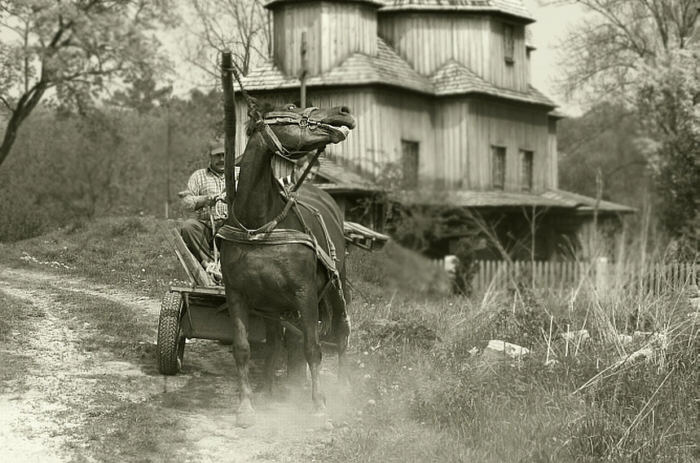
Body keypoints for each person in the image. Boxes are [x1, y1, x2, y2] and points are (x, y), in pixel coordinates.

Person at [180, 140, 230, 276]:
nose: (222, 159)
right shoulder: (199, 176)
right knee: (188, 227)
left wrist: (232, 198)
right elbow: (186, 202)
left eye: (225, 155)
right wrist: (205, 199)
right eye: (217, 156)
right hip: (208, 226)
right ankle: (211, 264)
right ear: (210, 157)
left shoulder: (239, 174)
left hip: (233, 225)